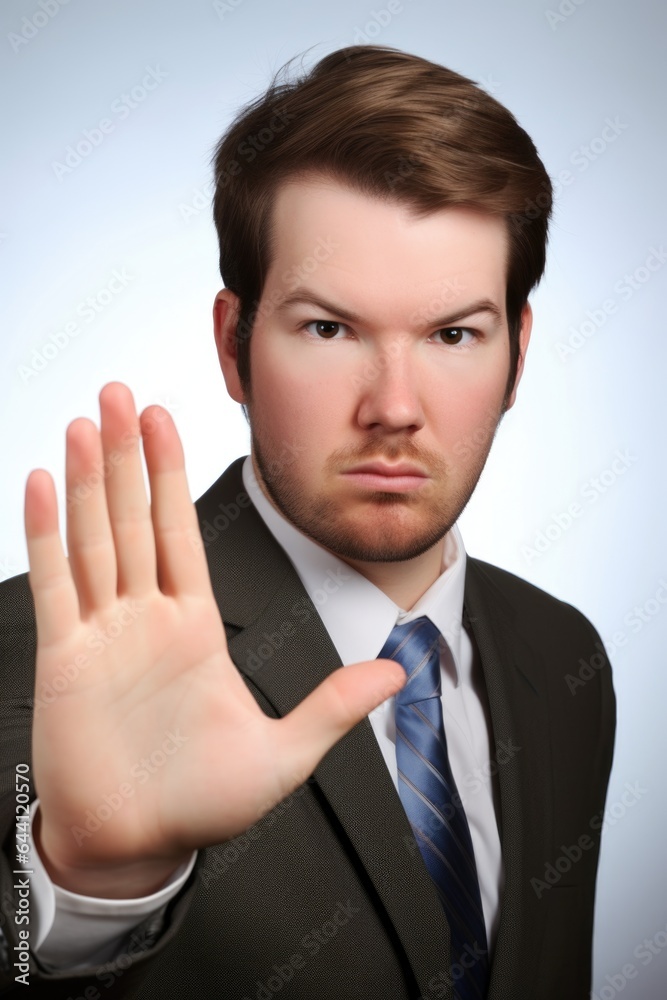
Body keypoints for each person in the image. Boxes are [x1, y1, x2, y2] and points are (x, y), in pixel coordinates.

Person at [0, 45, 615, 999]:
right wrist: (90, 893)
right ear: (233, 348)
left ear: (517, 354)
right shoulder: (30, 653)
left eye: (453, 334)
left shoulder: (563, 657)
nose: (395, 407)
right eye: (329, 329)